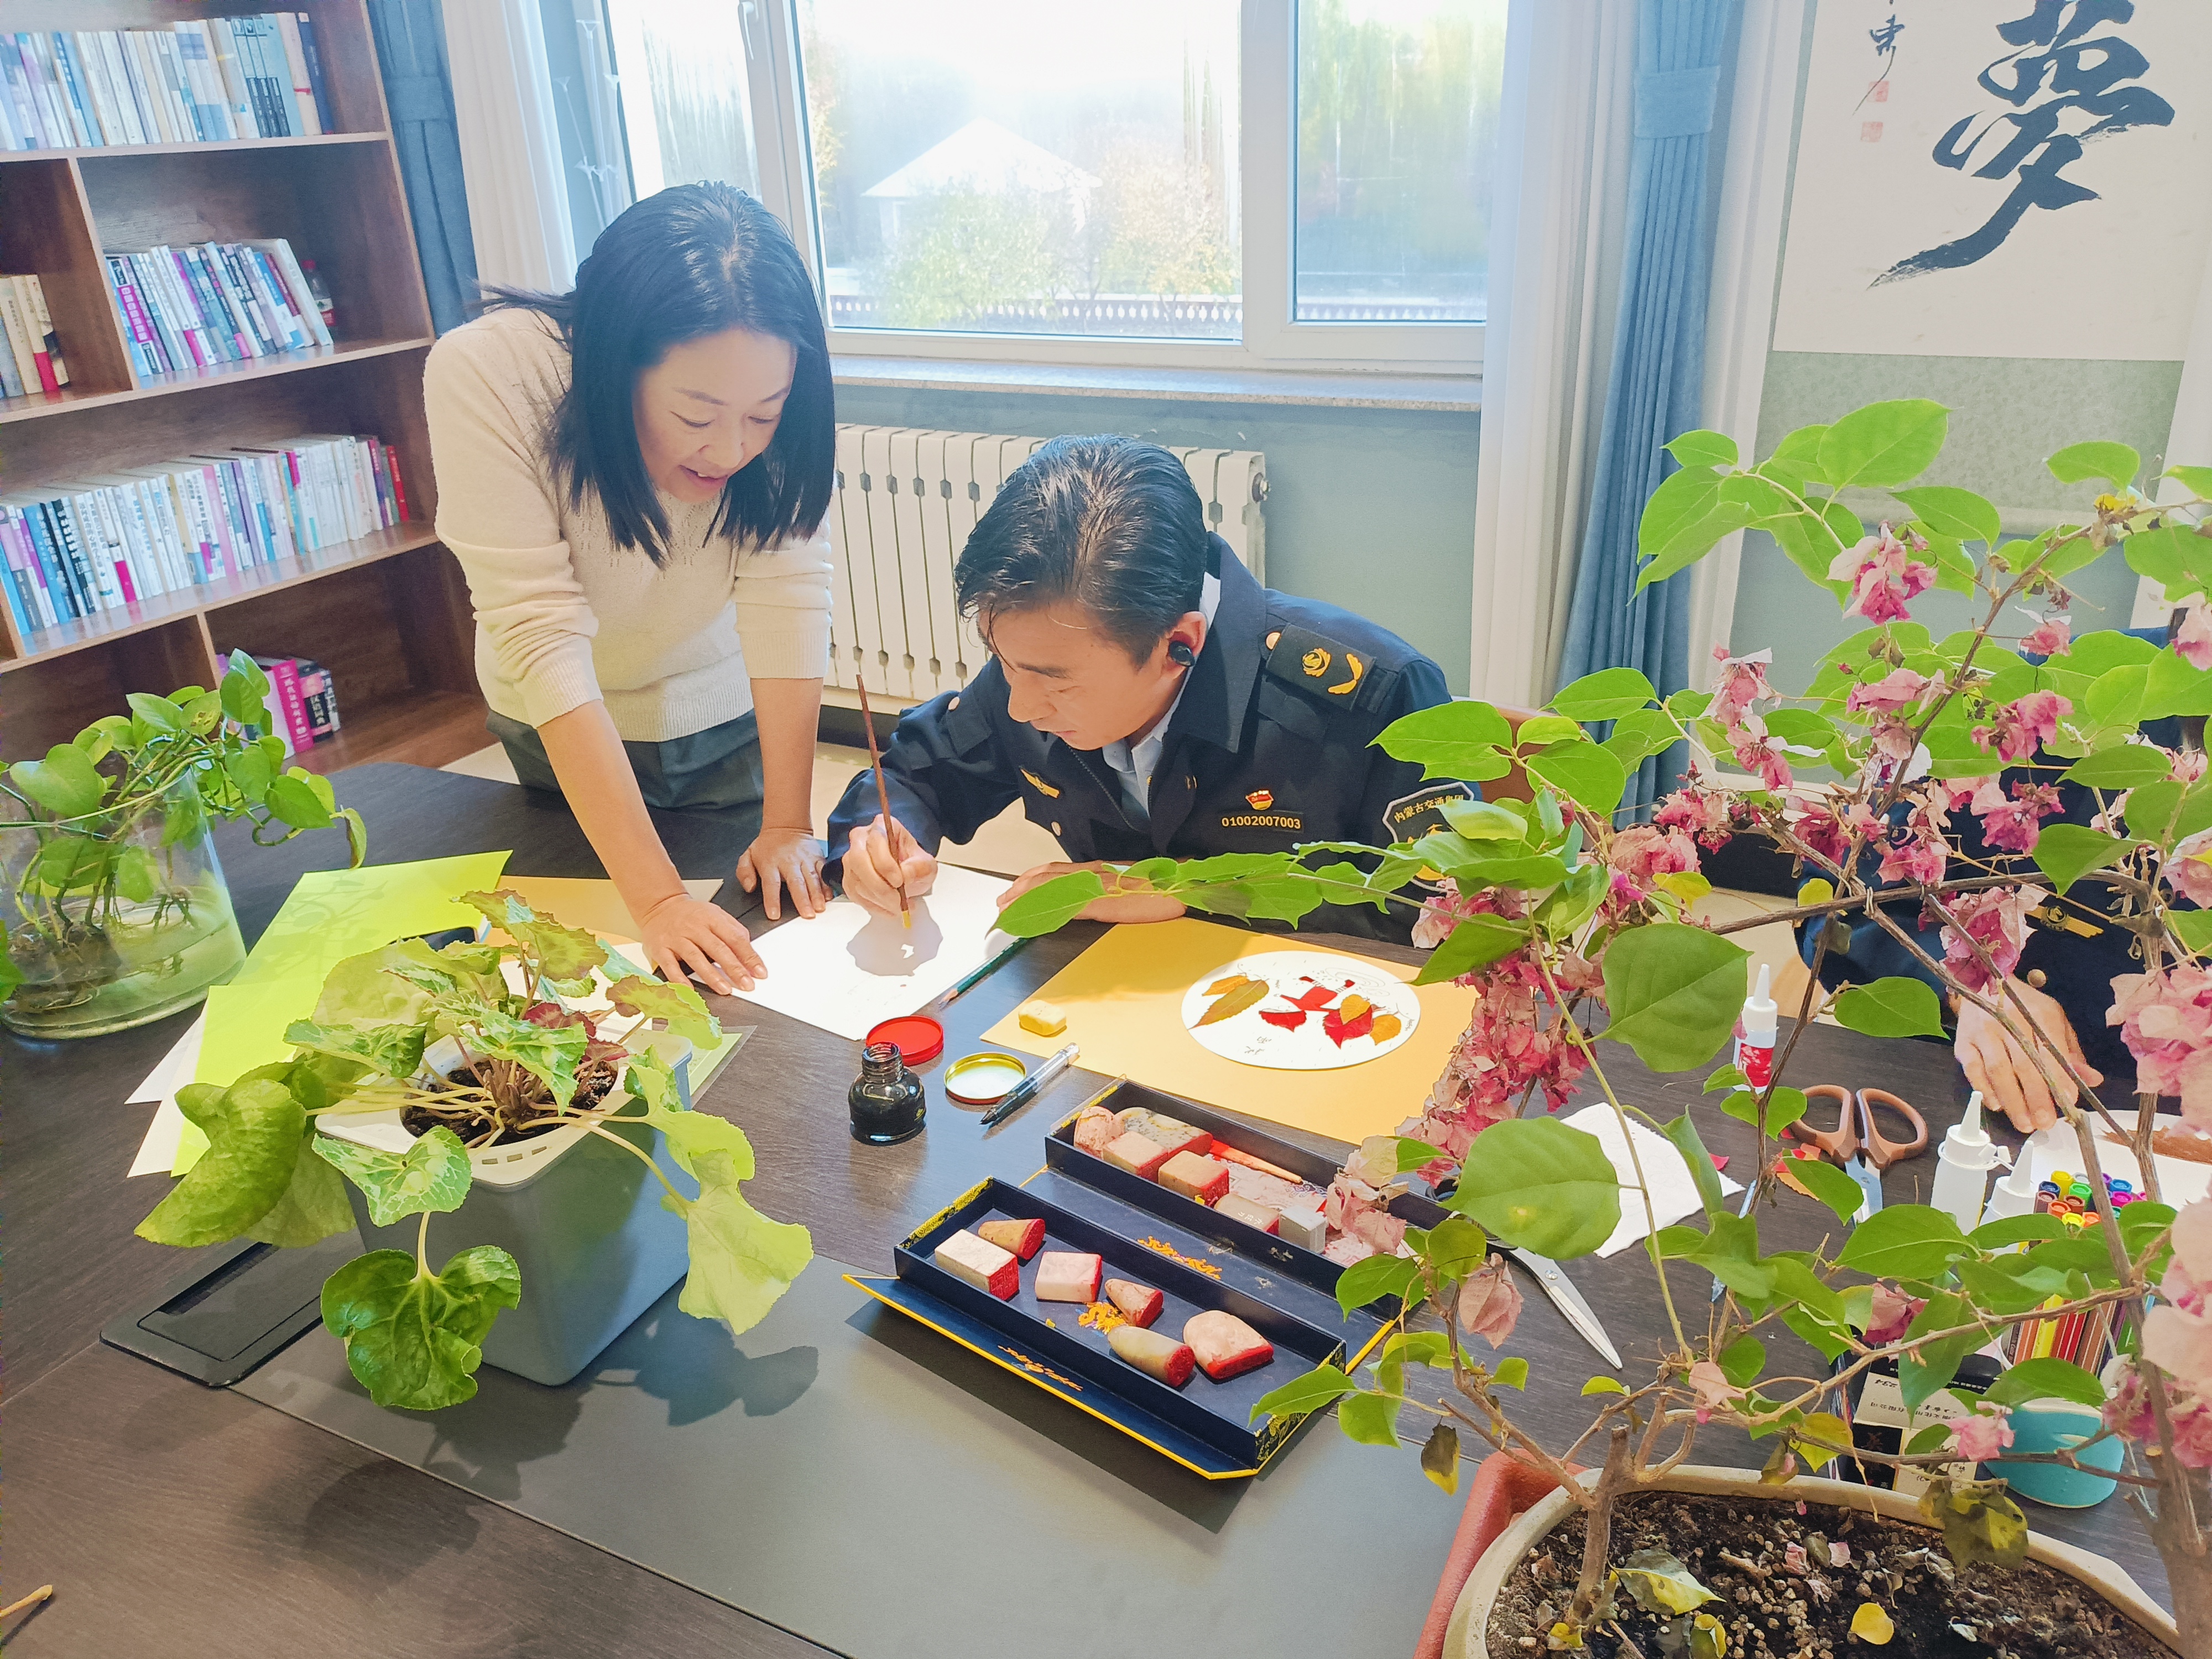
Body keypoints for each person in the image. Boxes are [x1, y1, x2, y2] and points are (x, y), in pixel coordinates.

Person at [424, 183, 837, 995]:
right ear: (613, 363)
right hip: (558, 717)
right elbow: (539, 632)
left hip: (717, 711)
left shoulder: (773, 374)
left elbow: (788, 591)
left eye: (764, 416)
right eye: (697, 417)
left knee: (745, 954)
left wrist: (789, 823)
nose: (733, 449)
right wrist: (657, 902)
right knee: (591, 962)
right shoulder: (490, 372)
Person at [825, 436, 1460, 941]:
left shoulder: (1374, 697)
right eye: (1003, 662)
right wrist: (883, 837)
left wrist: (1192, 890)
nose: (1020, 705)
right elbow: (914, 776)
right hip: (1099, 998)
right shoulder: (1037, 665)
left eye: (1055, 685)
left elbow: (1442, 914)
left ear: (1178, 645)